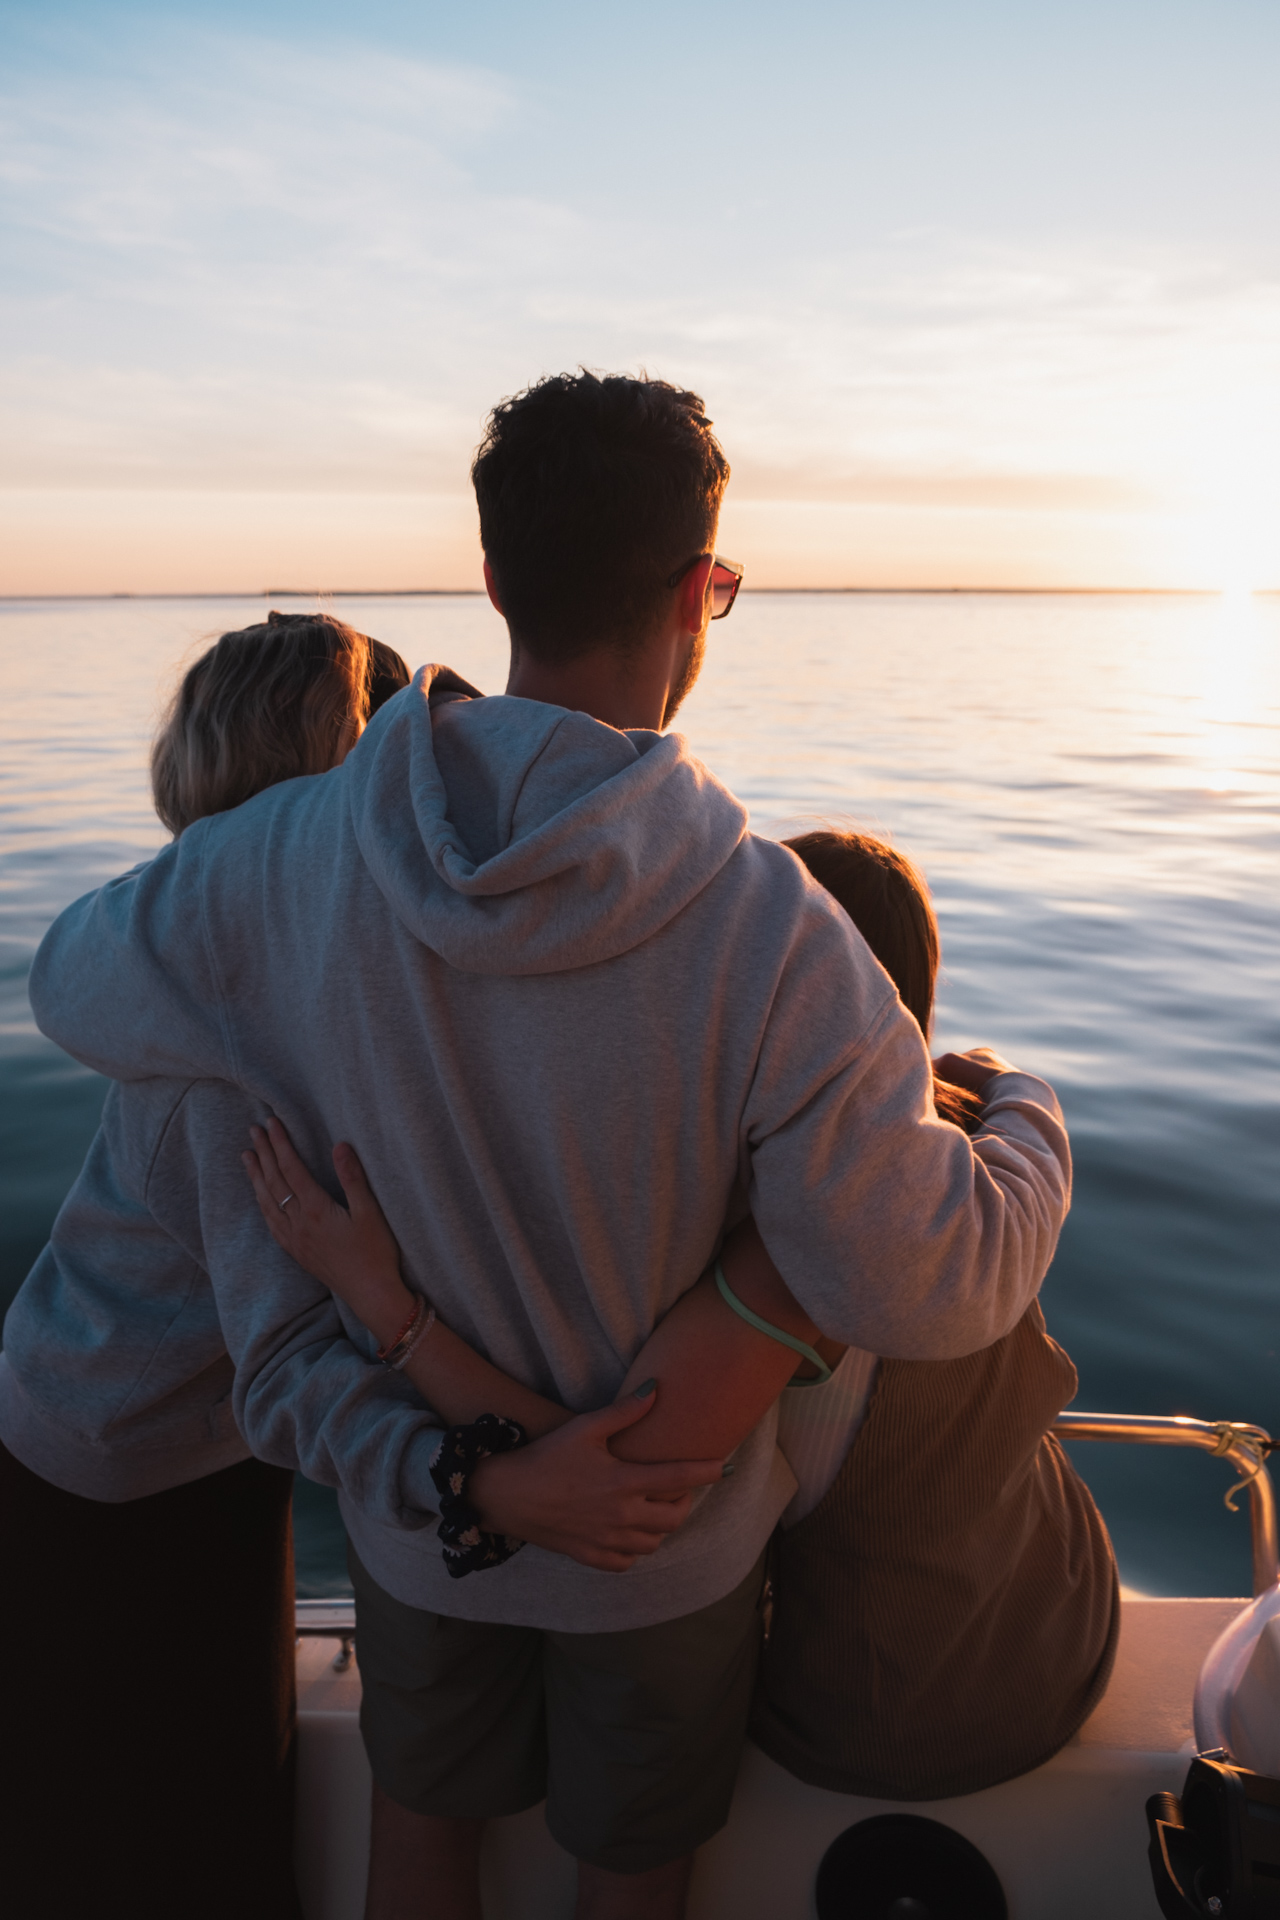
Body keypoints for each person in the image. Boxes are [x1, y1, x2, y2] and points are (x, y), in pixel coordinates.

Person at [27, 372, 1072, 1920]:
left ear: (498, 578)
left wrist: (312, 1007)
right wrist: (1031, 1116)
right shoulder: (775, 933)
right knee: (634, 1875)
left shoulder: (274, 864)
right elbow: (926, 1280)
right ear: (697, 596)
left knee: (417, 1842)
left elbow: (69, 984)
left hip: (416, 1524)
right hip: (661, 1559)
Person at [244, 826, 1115, 1805]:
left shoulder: (799, 1245)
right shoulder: (960, 1157)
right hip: (1064, 1623)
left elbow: (619, 1474)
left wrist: (391, 1311)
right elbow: (1011, 1119)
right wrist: (1012, 1085)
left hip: (885, 1712)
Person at [0, 611, 410, 1920]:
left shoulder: (212, 962)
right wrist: (484, 1475)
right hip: (119, 1472)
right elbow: (290, 1367)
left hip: (177, 1439)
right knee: (182, 1835)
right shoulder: (236, 1060)